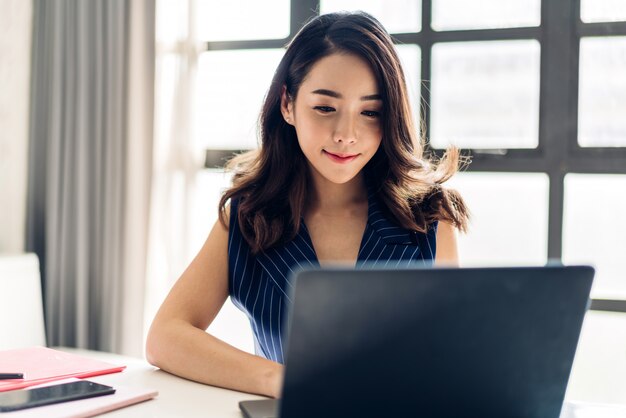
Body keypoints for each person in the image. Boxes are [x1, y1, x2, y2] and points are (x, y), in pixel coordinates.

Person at [146, 11, 469, 399]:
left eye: (370, 112)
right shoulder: (249, 217)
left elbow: (451, 359)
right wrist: (281, 380)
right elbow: (166, 336)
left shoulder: (428, 218)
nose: (346, 135)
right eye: (325, 107)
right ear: (287, 104)